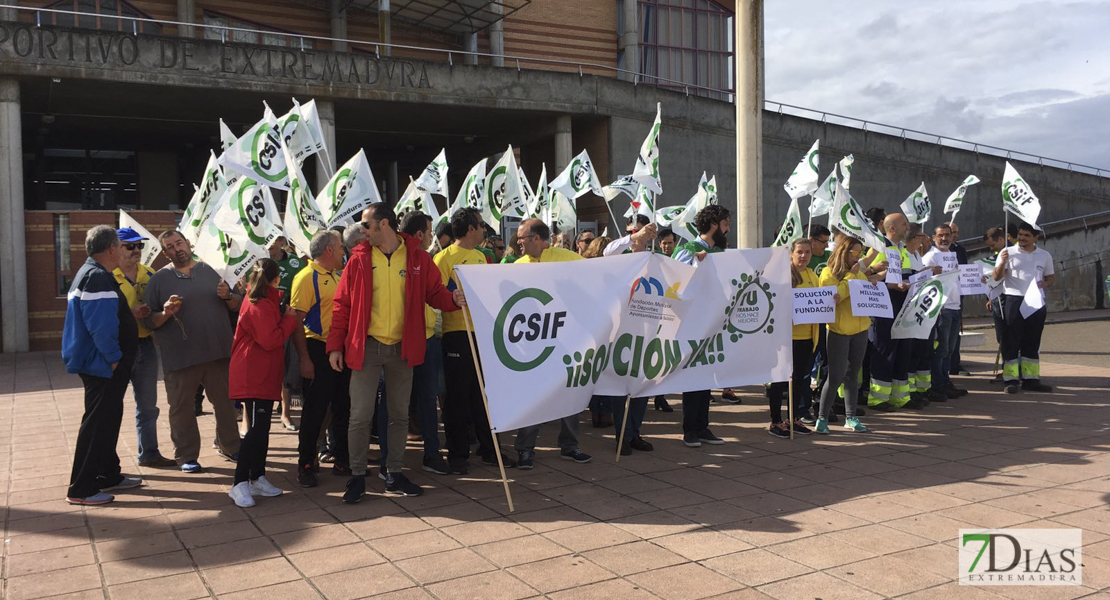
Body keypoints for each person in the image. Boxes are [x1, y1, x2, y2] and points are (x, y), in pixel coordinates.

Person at [329, 204, 464, 503]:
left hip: (403, 347)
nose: (361, 231)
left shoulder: (417, 256)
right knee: (360, 415)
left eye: (366, 225)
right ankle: (357, 477)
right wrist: (335, 346)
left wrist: (452, 299)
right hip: (366, 347)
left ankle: (394, 473)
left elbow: (434, 293)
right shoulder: (359, 259)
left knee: (399, 415)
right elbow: (342, 305)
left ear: (384, 224)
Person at [143, 231, 243, 473]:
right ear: (165, 253)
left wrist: (228, 296)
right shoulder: (158, 280)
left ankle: (230, 446)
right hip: (180, 357)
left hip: (218, 351)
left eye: (179, 243)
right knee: (182, 409)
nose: (176, 249)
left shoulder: (212, 270)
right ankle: (186, 456)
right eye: (169, 247)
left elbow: (238, 304)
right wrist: (165, 312)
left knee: (226, 404)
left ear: (188, 243)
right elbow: (149, 322)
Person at [61, 226, 142, 505]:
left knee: (107, 419)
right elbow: (101, 325)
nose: (124, 250)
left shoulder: (94, 273)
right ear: (111, 249)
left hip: (103, 364)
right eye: (121, 245)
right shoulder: (96, 277)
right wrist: (114, 357)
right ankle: (82, 488)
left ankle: (108, 473)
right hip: (103, 365)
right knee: (97, 423)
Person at [433, 207, 514, 475]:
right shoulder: (443, 259)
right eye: (480, 225)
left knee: (485, 396)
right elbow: (434, 296)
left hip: (483, 334)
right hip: (457, 335)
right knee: (457, 397)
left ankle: (490, 450)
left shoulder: (481, 257)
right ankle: (457, 454)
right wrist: (454, 295)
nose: (483, 230)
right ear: (470, 229)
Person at [511, 218, 594, 466]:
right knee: (532, 396)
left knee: (570, 394)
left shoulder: (569, 259)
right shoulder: (516, 266)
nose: (518, 242)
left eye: (522, 238)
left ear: (537, 238)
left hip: (566, 341)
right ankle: (525, 449)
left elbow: (599, 279)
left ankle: (570, 446)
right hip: (532, 344)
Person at [227, 259, 298, 507]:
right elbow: (270, 340)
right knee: (256, 430)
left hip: (262, 372)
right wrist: (289, 319)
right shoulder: (259, 303)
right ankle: (239, 483)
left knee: (261, 428)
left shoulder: (264, 300)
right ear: (276, 279)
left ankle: (256, 477)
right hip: (253, 373)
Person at [291, 230, 352, 488]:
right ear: (328, 249)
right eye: (340, 247)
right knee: (315, 410)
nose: (343, 251)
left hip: (341, 348)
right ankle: (305, 463)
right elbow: (295, 322)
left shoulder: (338, 275)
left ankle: (341, 459)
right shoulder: (306, 277)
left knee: (343, 406)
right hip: (317, 348)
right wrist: (304, 358)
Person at [112, 227, 175, 468]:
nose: (137, 250)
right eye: (130, 246)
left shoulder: (150, 273)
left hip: (146, 346)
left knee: (148, 405)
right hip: (119, 348)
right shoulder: (108, 276)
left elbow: (159, 305)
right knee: (111, 406)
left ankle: (149, 453)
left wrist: (164, 310)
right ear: (116, 248)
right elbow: (103, 315)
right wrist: (131, 313)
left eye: (140, 246)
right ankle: (107, 460)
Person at [672, 204, 730, 447]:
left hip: (713, 322)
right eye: (725, 224)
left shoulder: (719, 252)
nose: (728, 229)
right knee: (693, 375)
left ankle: (703, 427)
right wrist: (696, 264)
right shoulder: (689, 248)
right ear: (714, 224)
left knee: (707, 376)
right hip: (692, 324)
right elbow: (676, 280)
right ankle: (690, 430)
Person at [398, 211, 451, 475]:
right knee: (396, 404)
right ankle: (392, 461)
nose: (432, 236)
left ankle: (432, 454)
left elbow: (436, 293)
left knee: (428, 400)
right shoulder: (389, 257)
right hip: (395, 342)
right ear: (420, 234)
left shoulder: (424, 259)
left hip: (427, 339)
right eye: (430, 232)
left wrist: (454, 300)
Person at [815, 236, 878, 434]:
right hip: (839, 331)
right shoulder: (828, 272)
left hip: (860, 329)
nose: (857, 256)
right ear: (843, 252)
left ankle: (851, 417)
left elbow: (862, 292)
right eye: (854, 252)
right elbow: (836, 297)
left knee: (853, 375)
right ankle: (822, 418)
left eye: (860, 252)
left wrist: (872, 284)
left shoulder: (858, 273)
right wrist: (851, 277)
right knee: (835, 376)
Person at [993, 222, 1054, 394]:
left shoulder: (1044, 255)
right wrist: (1002, 263)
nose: (1022, 238)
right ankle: (1010, 379)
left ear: (1036, 237)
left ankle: (1031, 379)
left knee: (1032, 340)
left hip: (1035, 301)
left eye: (1027, 235)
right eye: (1020, 235)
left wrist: (1045, 283)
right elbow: (996, 277)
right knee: (1011, 340)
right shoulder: (1007, 252)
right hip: (1014, 299)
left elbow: (1051, 277)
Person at [868, 213, 920, 411]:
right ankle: (878, 398)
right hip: (885, 307)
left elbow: (905, 275)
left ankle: (900, 397)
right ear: (892, 228)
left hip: (903, 305)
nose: (908, 226)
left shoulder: (902, 249)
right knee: (884, 351)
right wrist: (892, 285)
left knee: (902, 351)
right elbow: (867, 276)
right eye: (904, 224)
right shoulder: (880, 247)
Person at [767, 239, 816, 437]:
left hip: (806, 337)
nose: (803, 256)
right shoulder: (784, 275)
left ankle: (794, 418)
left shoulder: (812, 275)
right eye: (799, 252)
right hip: (785, 337)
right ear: (791, 254)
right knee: (779, 380)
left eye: (807, 252)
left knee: (798, 380)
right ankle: (775, 421)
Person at [923, 224, 967, 399]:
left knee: (949, 349)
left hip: (955, 306)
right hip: (942, 308)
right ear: (934, 237)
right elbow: (922, 279)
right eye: (940, 235)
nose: (944, 239)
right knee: (941, 349)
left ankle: (945, 381)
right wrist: (930, 273)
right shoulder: (931, 257)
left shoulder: (952, 255)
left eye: (947, 235)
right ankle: (938, 384)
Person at [904, 225, 944, 404]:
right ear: (916, 238)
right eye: (923, 236)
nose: (926, 239)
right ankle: (911, 390)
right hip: (910, 311)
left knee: (924, 351)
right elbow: (908, 278)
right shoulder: (904, 255)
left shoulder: (916, 255)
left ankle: (923, 389)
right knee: (912, 353)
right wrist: (927, 272)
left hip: (922, 309)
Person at [271, 237, 304, 432]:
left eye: (272, 240)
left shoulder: (295, 263)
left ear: (281, 240)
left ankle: (286, 413)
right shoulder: (256, 260)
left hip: (287, 321)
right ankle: (247, 420)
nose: (268, 245)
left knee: (286, 367)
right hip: (263, 322)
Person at [804, 223, 833, 422]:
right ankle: (802, 407)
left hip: (826, 319)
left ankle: (822, 403)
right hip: (804, 322)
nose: (825, 246)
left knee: (827, 362)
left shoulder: (829, 257)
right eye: (822, 242)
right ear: (812, 240)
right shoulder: (800, 259)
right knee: (805, 366)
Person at [982, 226, 1009, 383]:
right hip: (997, 298)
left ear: (1001, 239)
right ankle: (1008, 368)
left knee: (1006, 335)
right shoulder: (999, 254)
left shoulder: (1008, 254)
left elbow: (999, 277)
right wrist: (989, 297)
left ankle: (1010, 369)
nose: (991, 248)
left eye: (992, 245)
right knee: (1002, 336)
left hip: (1005, 299)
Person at [946, 221, 970, 377]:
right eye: (952, 232)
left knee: (955, 333)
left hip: (958, 295)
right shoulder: (934, 252)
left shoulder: (960, 250)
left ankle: (955, 364)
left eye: (956, 233)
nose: (955, 236)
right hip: (943, 299)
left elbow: (966, 271)